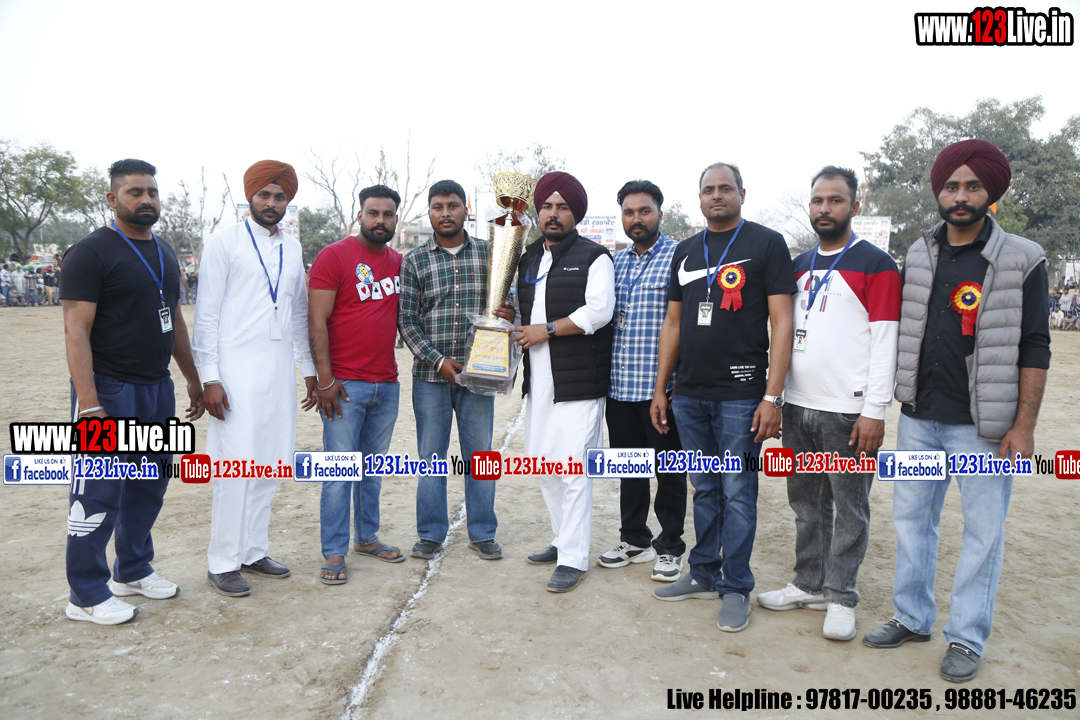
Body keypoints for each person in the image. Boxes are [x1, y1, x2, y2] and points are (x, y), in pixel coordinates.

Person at [862, 140, 1051, 682]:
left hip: (984, 428)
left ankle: (966, 638)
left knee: (983, 534)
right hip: (919, 418)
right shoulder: (919, 252)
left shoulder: (1024, 257)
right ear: (938, 192)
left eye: (972, 186)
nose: (960, 196)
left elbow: (1035, 344)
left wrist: (1024, 426)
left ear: (991, 192)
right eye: (951, 186)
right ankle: (911, 617)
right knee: (912, 523)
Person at [756, 166, 901, 641]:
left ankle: (841, 596)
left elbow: (886, 340)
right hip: (798, 405)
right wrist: (778, 397)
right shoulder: (797, 265)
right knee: (806, 502)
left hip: (849, 411)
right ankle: (808, 583)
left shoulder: (877, 264)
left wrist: (874, 410)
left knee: (849, 507)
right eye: (818, 200)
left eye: (836, 200)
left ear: (854, 206)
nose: (825, 208)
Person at [649, 162, 795, 633]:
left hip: (741, 396)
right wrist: (661, 388)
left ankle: (736, 587)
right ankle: (703, 574)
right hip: (690, 395)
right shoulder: (685, 251)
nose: (717, 195)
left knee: (738, 492)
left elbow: (782, 322)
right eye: (708, 189)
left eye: (725, 188)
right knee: (705, 489)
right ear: (699, 198)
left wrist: (772, 397)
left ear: (742, 194)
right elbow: (673, 322)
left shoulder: (767, 244)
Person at [59, 158, 203, 625]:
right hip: (109, 390)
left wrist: (192, 377)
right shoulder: (90, 252)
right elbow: (75, 331)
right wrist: (89, 404)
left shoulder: (164, 250)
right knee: (98, 491)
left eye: (152, 192)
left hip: (156, 387)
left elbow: (173, 318)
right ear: (113, 198)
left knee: (149, 485)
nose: (146, 200)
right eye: (135, 192)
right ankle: (85, 593)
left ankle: (133, 569)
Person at [193, 160, 317, 597]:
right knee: (235, 467)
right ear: (250, 196)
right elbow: (206, 315)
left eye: (280, 197)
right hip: (234, 374)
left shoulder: (293, 248)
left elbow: (298, 313)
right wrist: (209, 377)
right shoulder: (224, 242)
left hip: (277, 372)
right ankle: (223, 561)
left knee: (269, 462)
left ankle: (252, 550)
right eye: (264, 194)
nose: (271, 203)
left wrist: (308, 370)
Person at [512, 171, 615, 592]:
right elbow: (525, 313)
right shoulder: (528, 258)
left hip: (579, 381)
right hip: (539, 380)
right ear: (538, 211)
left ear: (576, 214)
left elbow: (599, 311)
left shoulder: (595, 257)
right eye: (547, 206)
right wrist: (509, 317)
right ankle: (562, 539)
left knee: (573, 469)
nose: (553, 214)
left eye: (563, 207)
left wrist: (548, 330)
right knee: (545, 463)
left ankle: (573, 558)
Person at [399, 179, 511, 561]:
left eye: (452, 205)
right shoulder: (414, 261)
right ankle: (431, 533)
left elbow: (508, 301)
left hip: (480, 375)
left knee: (481, 454)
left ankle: (482, 531)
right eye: (437, 207)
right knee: (431, 456)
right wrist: (438, 360)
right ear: (429, 212)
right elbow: (407, 321)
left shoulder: (491, 252)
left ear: (466, 209)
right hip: (431, 377)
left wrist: (509, 310)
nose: (445, 213)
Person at [308, 185, 405, 584]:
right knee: (339, 471)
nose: (380, 220)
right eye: (373, 213)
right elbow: (316, 321)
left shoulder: (399, 262)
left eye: (387, 214)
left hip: (387, 384)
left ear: (396, 219)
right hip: (344, 385)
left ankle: (366, 538)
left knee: (372, 470)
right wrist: (324, 380)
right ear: (360, 215)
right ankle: (334, 551)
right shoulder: (334, 256)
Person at [598, 180, 687, 582]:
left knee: (669, 472)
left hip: (660, 391)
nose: (637, 219)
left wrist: (671, 386)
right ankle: (634, 538)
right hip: (619, 388)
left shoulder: (678, 257)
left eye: (645, 211)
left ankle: (670, 547)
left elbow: (683, 324)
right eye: (629, 212)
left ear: (659, 214)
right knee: (629, 468)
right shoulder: (614, 263)